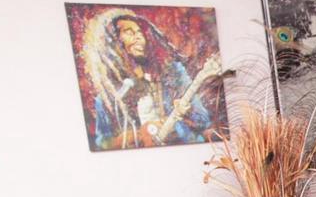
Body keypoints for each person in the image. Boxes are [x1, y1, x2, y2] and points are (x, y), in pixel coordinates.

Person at [79, 8, 222, 149]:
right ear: (114, 43)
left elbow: (203, 119)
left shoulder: (173, 74)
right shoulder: (108, 99)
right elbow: (103, 144)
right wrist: (139, 135)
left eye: (139, 32)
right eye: (129, 32)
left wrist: (187, 113)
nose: (138, 36)